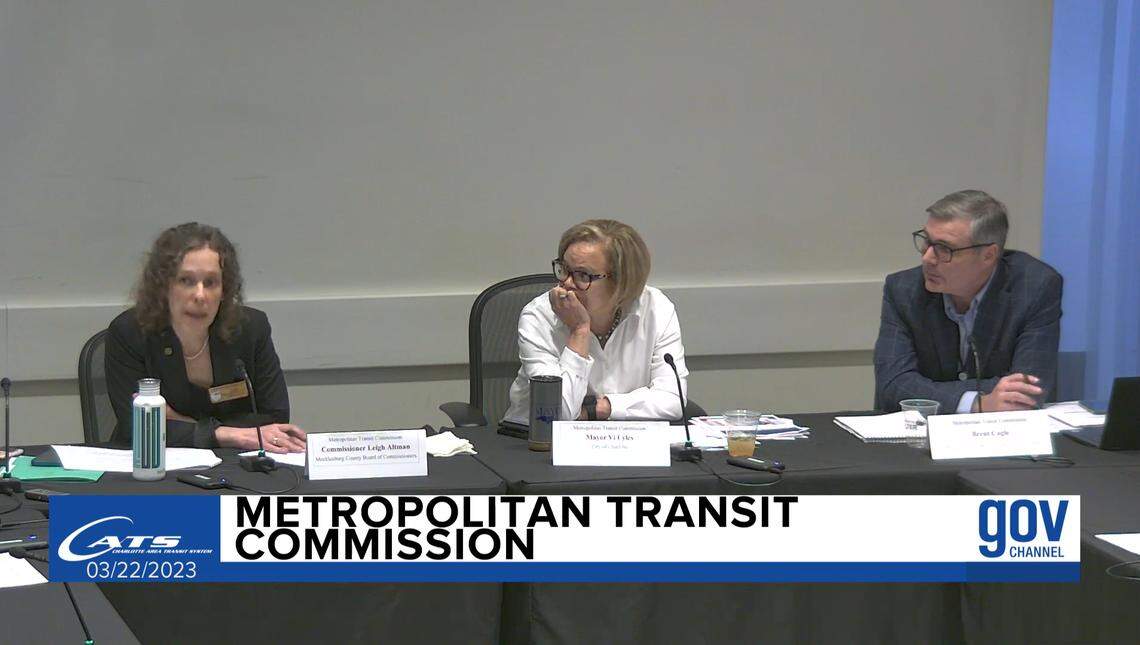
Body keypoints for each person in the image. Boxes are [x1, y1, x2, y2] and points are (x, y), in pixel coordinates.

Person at [105, 223, 307, 452]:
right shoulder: (130, 333)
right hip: (153, 463)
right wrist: (227, 434)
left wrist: (182, 423)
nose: (200, 295)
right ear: (163, 286)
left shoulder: (250, 330)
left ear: (225, 290)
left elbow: (274, 418)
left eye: (210, 283)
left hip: (239, 466)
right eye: (186, 281)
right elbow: (139, 427)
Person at [874, 189, 1063, 414]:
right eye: (926, 241)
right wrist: (978, 403)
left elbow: (1027, 389)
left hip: (1001, 437)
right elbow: (893, 384)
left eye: (944, 248)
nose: (927, 258)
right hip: (916, 436)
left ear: (988, 255)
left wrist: (929, 391)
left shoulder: (1035, 287)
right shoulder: (904, 290)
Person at [503, 219, 688, 425]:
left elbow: (673, 399)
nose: (566, 283)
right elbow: (557, 412)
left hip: (625, 441)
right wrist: (579, 330)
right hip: (538, 444)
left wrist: (600, 409)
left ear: (621, 281)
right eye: (564, 269)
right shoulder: (538, 316)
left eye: (583, 275)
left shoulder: (656, 308)